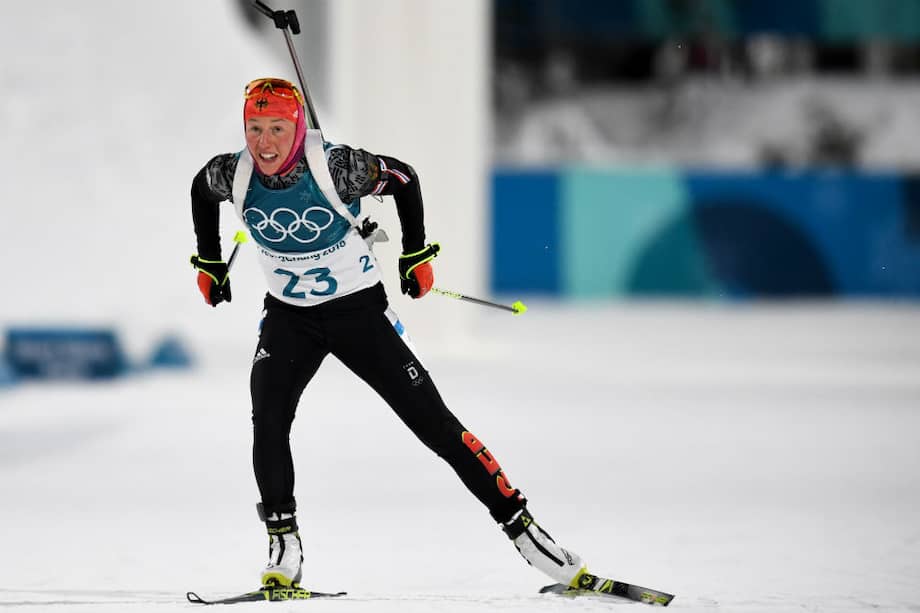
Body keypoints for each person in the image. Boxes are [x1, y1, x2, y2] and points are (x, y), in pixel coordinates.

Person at [189, 77, 588, 590]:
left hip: (357, 315)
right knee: (267, 421)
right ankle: (283, 544)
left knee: (436, 427)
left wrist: (415, 252)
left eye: (277, 129)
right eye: (255, 128)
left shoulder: (336, 167)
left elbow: (403, 177)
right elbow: (200, 189)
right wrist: (209, 261)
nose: (265, 143)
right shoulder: (233, 172)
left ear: (298, 128)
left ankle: (527, 533)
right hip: (290, 318)